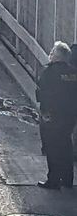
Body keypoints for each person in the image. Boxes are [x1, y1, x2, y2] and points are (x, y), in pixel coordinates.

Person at [36, 41, 77, 190]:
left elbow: (43, 93)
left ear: (57, 56)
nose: (50, 54)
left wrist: (45, 113)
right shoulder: (73, 72)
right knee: (66, 144)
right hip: (70, 116)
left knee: (52, 147)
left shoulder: (49, 72)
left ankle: (53, 180)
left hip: (53, 115)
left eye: (52, 52)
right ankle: (67, 179)